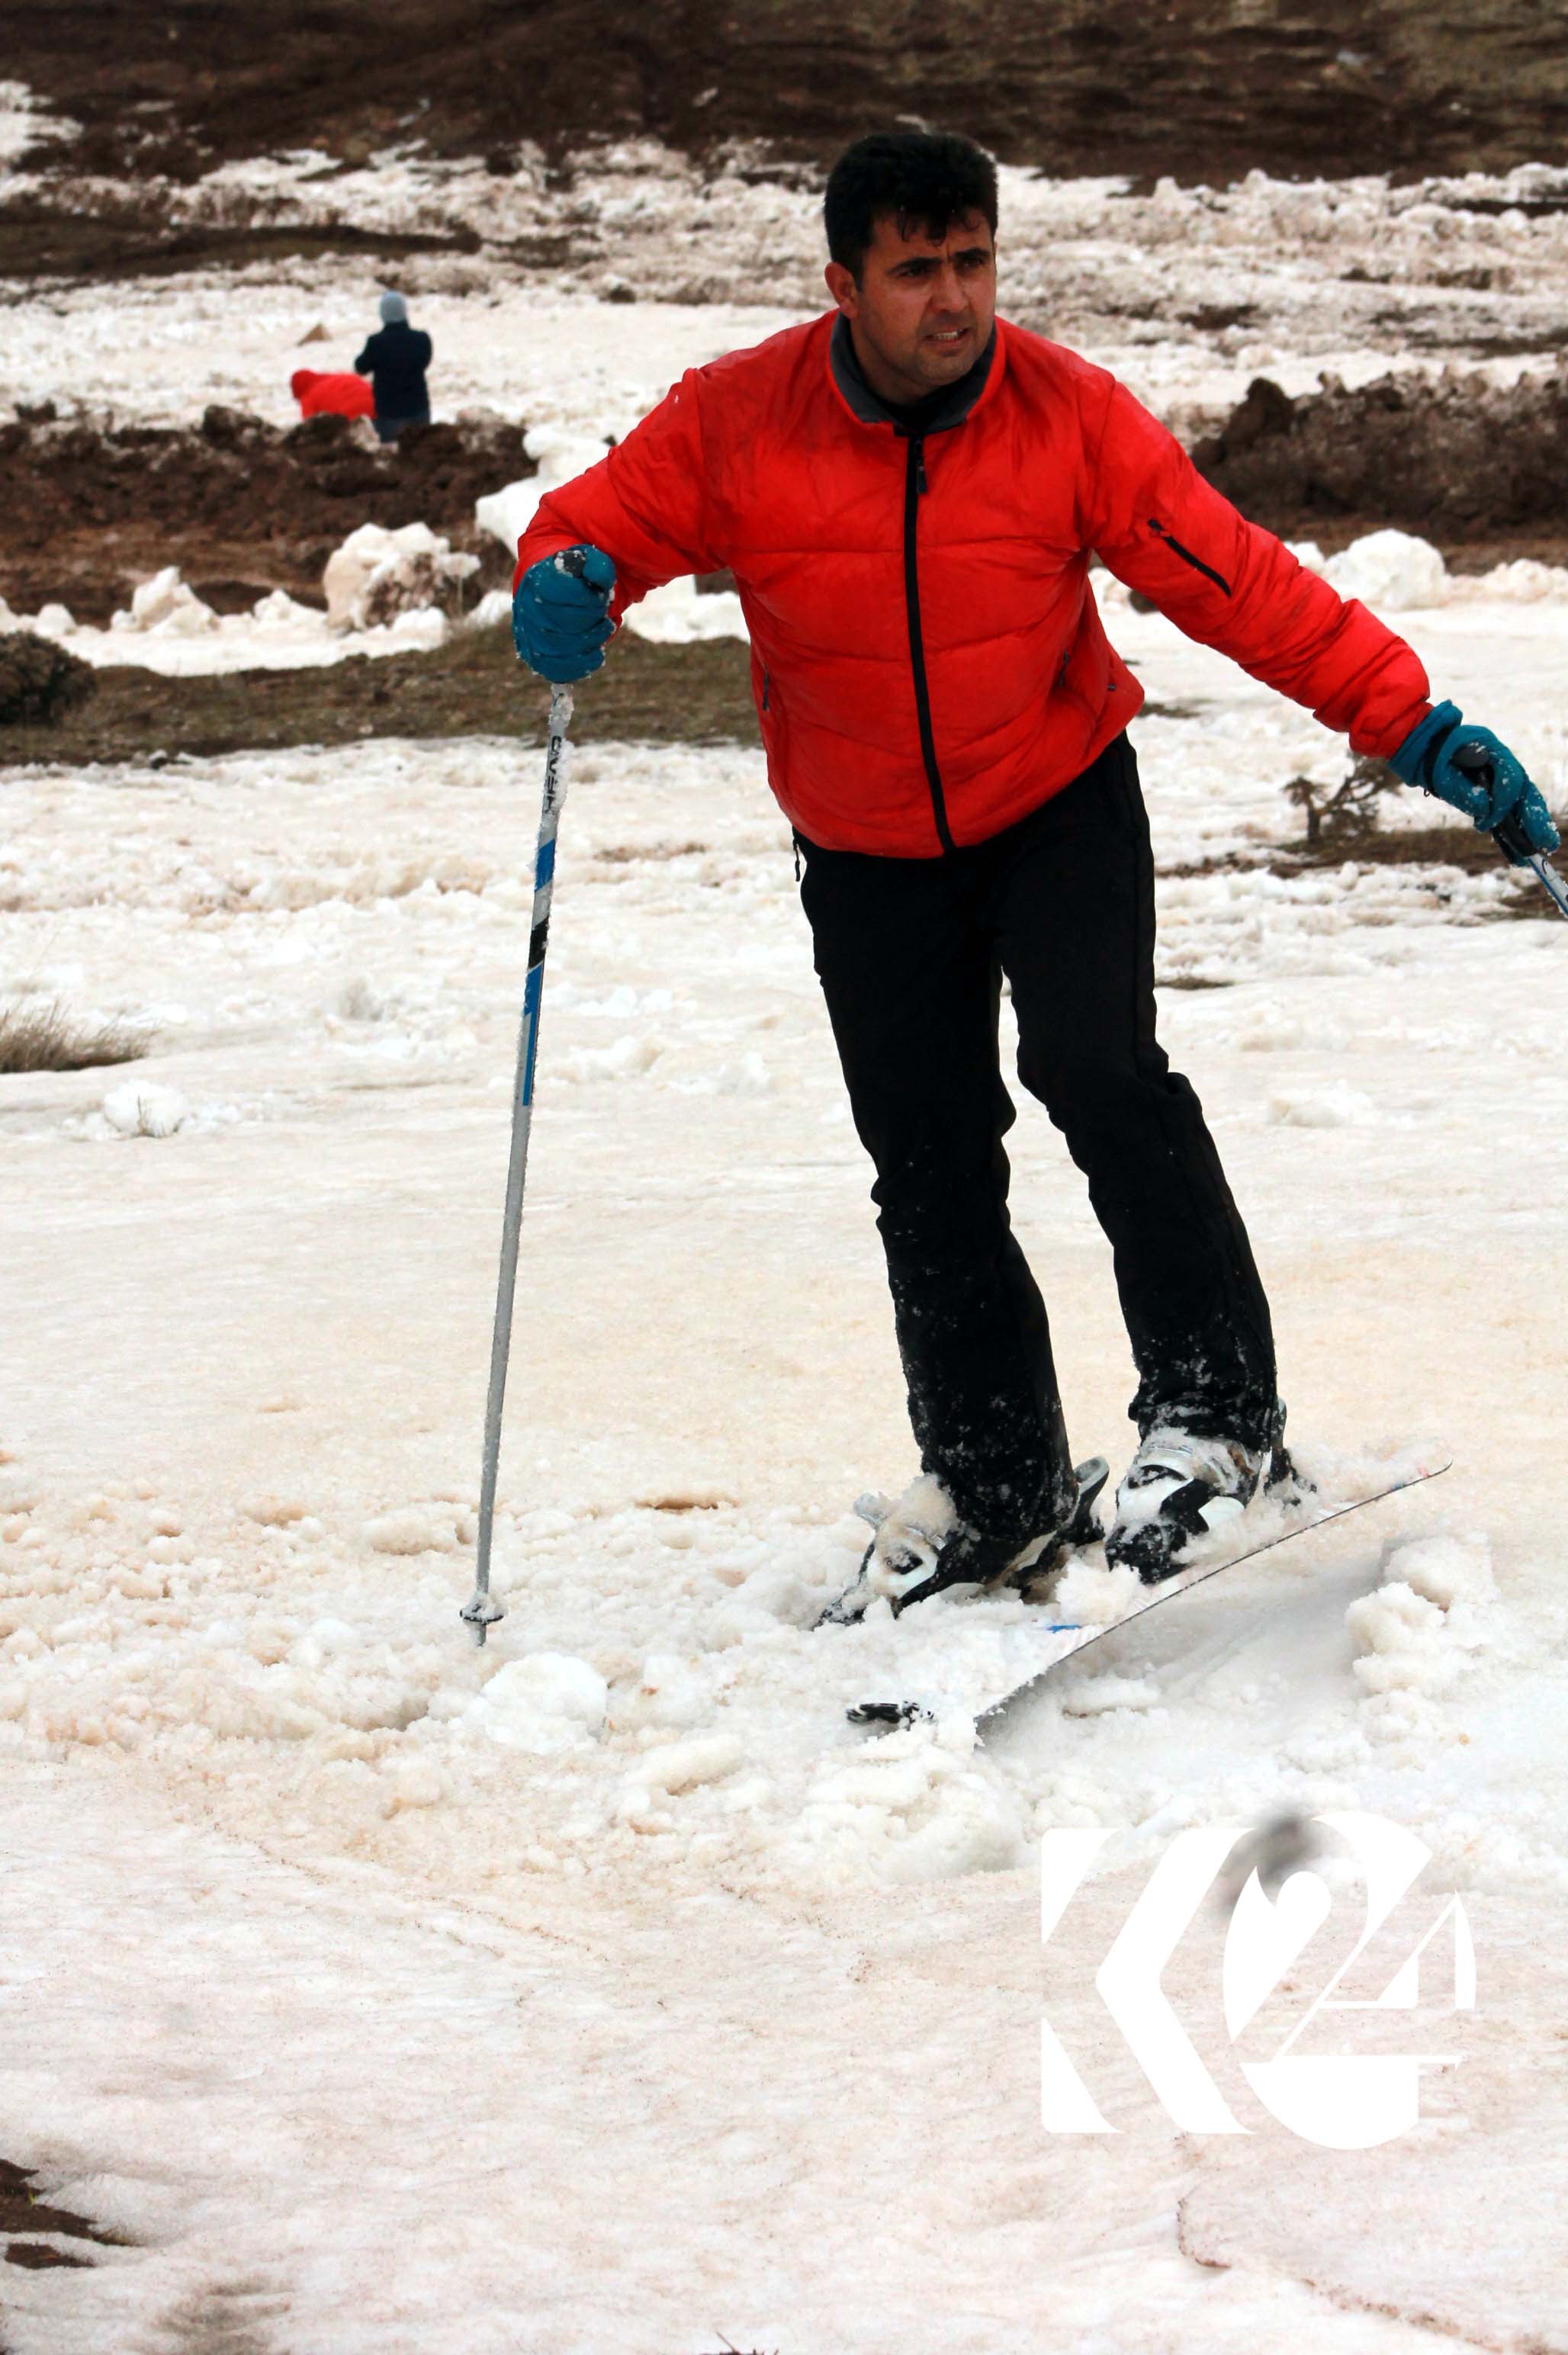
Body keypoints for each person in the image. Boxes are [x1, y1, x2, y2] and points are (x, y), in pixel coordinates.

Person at [508, 130, 1557, 1612]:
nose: (953, 299)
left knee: (1100, 1071)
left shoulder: (1063, 415)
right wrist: (559, 588)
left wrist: (1411, 722)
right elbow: (585, 535)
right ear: (842, 285)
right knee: (925, 1155)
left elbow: (1241, 584)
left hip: (1057, 801)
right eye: (915, 271)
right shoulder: (736, 419)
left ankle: (1214, 1413)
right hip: (862, 844)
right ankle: (994, 1478)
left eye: (973, 261)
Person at [354, 291, 432, 442]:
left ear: (383, 314)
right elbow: (425, 362)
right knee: (420, 449)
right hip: (419, 411)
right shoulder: (422, 340)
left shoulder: (376, 343)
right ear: (404, 311)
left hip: (389, 416)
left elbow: (360, 368)